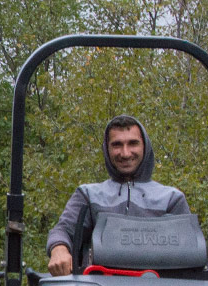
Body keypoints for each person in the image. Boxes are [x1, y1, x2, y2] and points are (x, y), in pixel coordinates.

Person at [46, 115, 190, 276]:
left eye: (133, 143)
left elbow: (188, 252)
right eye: (117, 145)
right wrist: (59, 248)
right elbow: (64, 230)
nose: (125, 153)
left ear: (145, 146)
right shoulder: (88, 195)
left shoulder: (171, 199)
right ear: (107, 149)